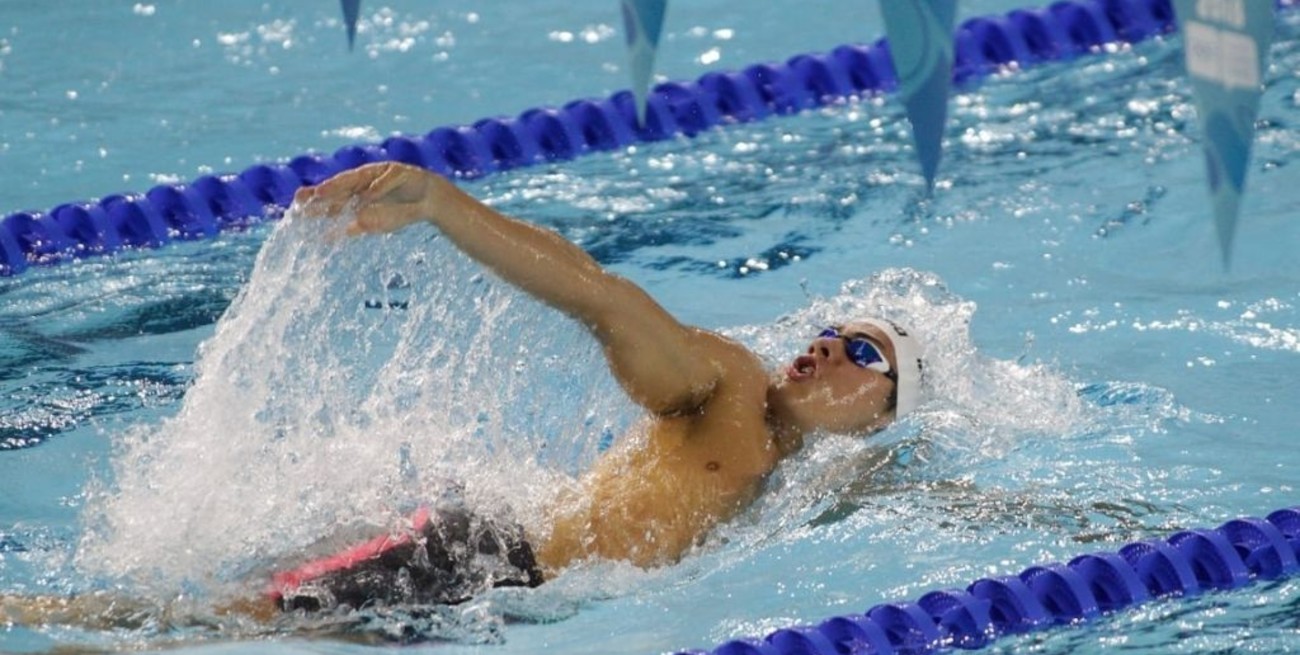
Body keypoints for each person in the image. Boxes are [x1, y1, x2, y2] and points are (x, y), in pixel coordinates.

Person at [0, 161, 923, 626]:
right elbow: (603, 298)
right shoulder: (727, 387)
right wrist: (446, 207)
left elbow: (947, 504)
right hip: (472, 556)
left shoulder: (817, 484)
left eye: (860, 353)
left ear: (885, 413)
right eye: (829, 332)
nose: (824, 347)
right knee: (203, 632)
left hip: (495, 600)